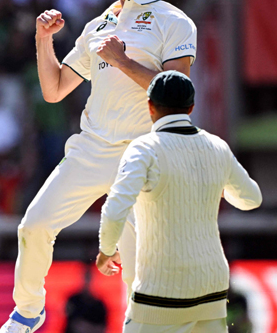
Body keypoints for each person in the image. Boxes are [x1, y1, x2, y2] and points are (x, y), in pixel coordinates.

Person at [0, 0, 198, 332]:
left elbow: (178, 92)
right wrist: (44, 40)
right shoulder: (98, 24)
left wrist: (122, 61)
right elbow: (54, 91)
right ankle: (28, 311)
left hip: (144, 152)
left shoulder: (173, 21)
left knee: (135, 264)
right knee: (34, 226)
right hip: (92, 148)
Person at [96, 71, 262, 333]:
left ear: (149, 106)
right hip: (212, 287)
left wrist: (106, 250)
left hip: (160, 292)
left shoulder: (144, 149)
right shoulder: (217, 147)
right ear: (191, 108)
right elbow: (251, 199)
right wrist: (216, 186)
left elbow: (115, 209)